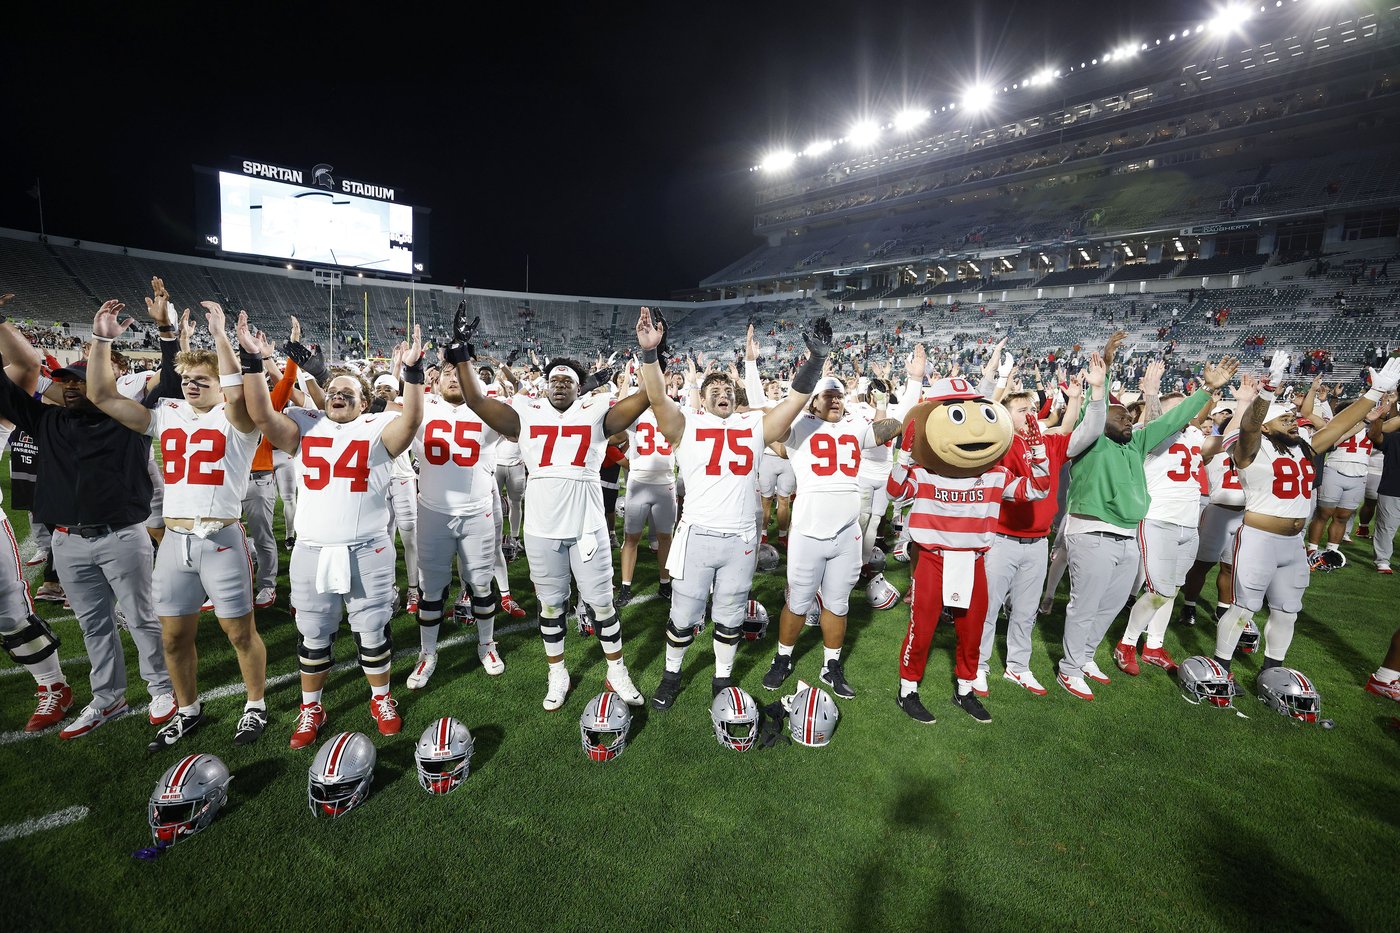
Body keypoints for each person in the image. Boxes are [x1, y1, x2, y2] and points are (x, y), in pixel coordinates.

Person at [86, 299, 269, 750]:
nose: (188, 385)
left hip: (222, 538)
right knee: (172, 638)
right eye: (185, 379)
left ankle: (255, 705)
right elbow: (103, 397)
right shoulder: (167, 414)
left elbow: (236, 388)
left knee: (239, 632)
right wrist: (101, 339)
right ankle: (188, 709)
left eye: (199, 380)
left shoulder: (238, 421)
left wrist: (223, 337)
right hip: (174, 542)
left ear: (219, 386)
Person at [449, 307, 652, 710]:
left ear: (579, 389)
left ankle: (616, 669)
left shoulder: (596, 412)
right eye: (554, 379)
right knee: (552, 605)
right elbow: (473, 398)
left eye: (568, 380)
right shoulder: (525, 413)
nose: (560, 383)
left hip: (587, 524)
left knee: (602, 603)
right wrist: (462, 351)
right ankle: (556, 671)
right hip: (542, 526)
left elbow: (646, 397)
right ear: (545, 387)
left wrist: (651, 354)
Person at [240, 315, 425, 747]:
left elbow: (413, 417)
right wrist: (252, 360)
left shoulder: (378, 429)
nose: (340, 396)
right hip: (313, 549)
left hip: (368, 548)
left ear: (364, 403)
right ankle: (311, 708)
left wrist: (412, 372)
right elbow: (260, 414)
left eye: (350, 393)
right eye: (335, 392)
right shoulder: (306, 425)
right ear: (325, 400)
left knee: (372, 629)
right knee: (313, 633)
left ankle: (380, 697)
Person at [0, 296, 175, 741]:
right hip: (67, 541)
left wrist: (168, 335)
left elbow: (170, 383)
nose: (72, 387)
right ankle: (108, 696)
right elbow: (6, 385)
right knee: (94, 624)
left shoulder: (130, 421)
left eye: (80, 381)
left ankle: (161, 688)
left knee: (140, 617)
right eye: (65, 382)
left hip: (121, 537)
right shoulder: (45, 421)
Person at [635, 308, 827, 710]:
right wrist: (649, 354)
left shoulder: (753, 427)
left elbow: (794, 401)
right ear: (702, 398)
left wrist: (817, 360)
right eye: (714, 388)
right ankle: (671, 674)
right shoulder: (685, 424)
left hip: (740, 536)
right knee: (684, 615)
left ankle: (721, 678)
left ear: (734, 396)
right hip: (698, 534)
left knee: (731, 613)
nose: (722, 391)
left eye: (727, 387)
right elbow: (655, 396)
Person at [1057, 356, 1239, 700]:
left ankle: (1085, 657)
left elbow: (1174, 420)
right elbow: (1094, 413)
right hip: (1091, 532)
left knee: (1109, 606)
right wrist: (1100, 384)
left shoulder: (1137, 442)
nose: (1129, 420)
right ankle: (1068, 669)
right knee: (1085, 605)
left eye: (1129, 416)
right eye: (1121, 416)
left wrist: (1206, 391)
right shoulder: (1091, 443)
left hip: (1127, 534)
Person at [1213, 352, 1400, 671]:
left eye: (1291, 417)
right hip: (1259, 538)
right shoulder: (1250, 449)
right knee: (1244, 607)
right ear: (1266, 428)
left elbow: (1341, 424)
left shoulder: (1303, 447)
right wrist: (1267, 392)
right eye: (1283, 418)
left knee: (1287, 610)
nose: (1292, 420)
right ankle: (1222, 666)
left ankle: (1272, 670)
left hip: (1293, 544)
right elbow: (1249, 426)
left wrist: (1374, 393)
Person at [761, 374, 902, 698]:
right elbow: (773, 428)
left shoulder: (854, 427)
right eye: (828, 395)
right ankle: (783, 657)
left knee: (838, 605)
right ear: (813, 400)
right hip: (809, 534)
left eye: (839, 394)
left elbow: (888, 428)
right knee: (797, 603)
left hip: (846, 535)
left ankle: (831, 665)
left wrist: (889, 400)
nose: (835, 399)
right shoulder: (799, 427)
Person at [977, 353, 1106, 697]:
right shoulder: (997, 446)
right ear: (1003, 417)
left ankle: (1017, 667)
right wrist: (997, 382)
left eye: (1032, 409)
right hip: (1001, 539)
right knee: (987, 609)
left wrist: (1087, 395)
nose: (1031, 414)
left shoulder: (1047, 442)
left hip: (1037, 542)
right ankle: (978, 666)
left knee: (1026, 611)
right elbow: (981, 419)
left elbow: (1084, 431)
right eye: (1022, 410)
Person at [1113, 375, 1250, 678]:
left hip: (1188, 523)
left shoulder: (1191, 436)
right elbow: (1154, 422)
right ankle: (1127, 643)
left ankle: (1154, 646)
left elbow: (1226, 442)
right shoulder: (1147, 433)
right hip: (1159, 518)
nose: (1186, 413)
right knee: (1158, 590)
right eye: (1179, 408)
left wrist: (1240, 405)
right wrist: (1151, 394)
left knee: (1172, 590)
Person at [404, 361, 507, 689]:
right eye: (446, 373)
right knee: (430, 589)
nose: (453, 378)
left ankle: (487, 644)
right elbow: (380, 408)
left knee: (480, 584)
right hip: (433, 512)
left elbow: (516, 425)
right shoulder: (422, 407)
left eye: (459, 373)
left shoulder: (487, 410)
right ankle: (427, 653)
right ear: (435, 381)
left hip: (477, 513)